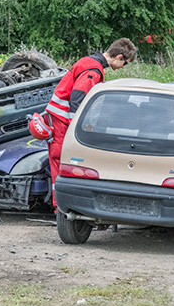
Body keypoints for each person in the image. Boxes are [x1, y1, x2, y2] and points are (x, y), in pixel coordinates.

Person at [45, 38, 137, 209]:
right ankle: (62, 210)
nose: (123, 67)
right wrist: (76, 129)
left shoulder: (88, 61)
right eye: (125, 62)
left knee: (59, 164)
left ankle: (61, 208)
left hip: (57, 119)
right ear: (118, 57)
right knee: (61, 165)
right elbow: (77, 99)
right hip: (62, 122)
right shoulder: (93, 70)